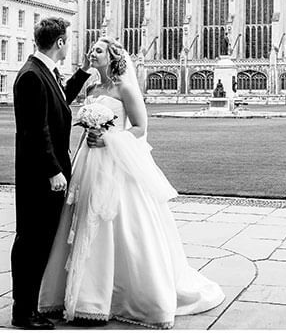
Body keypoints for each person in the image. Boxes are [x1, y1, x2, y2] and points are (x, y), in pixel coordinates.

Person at [38, 37, 225, 328]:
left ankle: (115, 296)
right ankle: (83, 298)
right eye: (92, 49)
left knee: (121, 226)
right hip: (89, 162)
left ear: (112, 57)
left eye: (98, 50)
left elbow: (140, 128)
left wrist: (108, 138)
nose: (91, 52)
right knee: (83, 221)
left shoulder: (124, 87)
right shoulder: (91, 87)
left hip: (115, 164)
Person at [11, 17, 91, 329]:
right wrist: (53, 171)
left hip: (45, 174)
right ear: (60, 42)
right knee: (32, 243)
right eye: (67, 40)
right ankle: (24, 312)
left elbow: (60, 104)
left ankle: (29, 308)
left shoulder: (43, 72)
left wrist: (82, 73)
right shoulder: (32, 75)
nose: (67, 44)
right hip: (41, 177)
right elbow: (35, 130)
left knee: (39, 241)